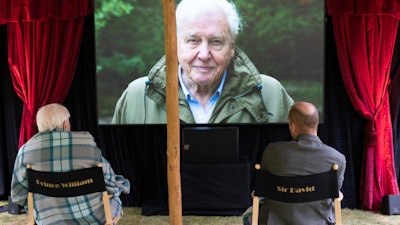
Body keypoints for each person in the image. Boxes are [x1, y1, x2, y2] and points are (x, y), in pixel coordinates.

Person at [112, 0, 294, 124]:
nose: (204, 54)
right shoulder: (136, 97)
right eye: (193, 40)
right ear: (174, 44)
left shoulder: (272, 95)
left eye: (216, 41)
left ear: (232, 47)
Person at [11, 103, 130, 224]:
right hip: (94, 217)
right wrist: (122, 186)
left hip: (49, 220)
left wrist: (38, 208)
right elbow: (109, 180)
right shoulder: (86, 143)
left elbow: (18, 193)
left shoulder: (25, 151)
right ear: (65, 124)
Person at [243, 101, 346, 225]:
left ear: (293, 126)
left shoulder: (272, 151)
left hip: (273, 221)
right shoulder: (337, 159)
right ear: (316, 124)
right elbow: (334, 192)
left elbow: (265, 188)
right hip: (319, 221)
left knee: (248, 215)